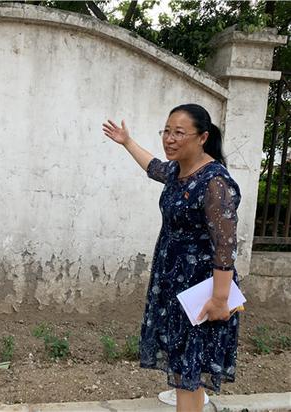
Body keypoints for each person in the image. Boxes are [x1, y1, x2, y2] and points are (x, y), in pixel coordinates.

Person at [102, 104, 241, 412]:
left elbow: (225, 245)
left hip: (201, 288)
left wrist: (219, 299)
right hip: (173, 282)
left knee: (189, 368)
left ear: (203, 137)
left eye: (179, 132)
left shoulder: (215, 182)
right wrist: (127, 142)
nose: (169, 139)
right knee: (182, 369)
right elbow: (153, 166)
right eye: (166, 131)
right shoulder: (178, 170)